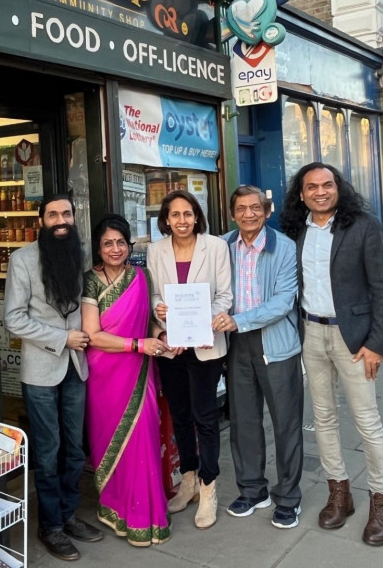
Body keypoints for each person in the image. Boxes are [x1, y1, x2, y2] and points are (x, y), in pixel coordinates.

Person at [280, 163, 383, 546]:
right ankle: (339, 493)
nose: (320, 192)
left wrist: (377, 342)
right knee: (323, 418)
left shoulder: (362, 225)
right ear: (301, 194)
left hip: (355, 340)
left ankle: (380, 501)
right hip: (311, 333)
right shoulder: (295, 231)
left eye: (327, 185)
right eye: (311, 187)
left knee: (367, 421)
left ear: (338, 188)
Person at [4, 193, 103, 560]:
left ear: (73, 217)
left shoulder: (80, 255)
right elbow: (13, 318)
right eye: (52, 214)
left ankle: (67, 515)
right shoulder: (22, 259)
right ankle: (51, 527)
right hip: (42, 369)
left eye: (66, 213)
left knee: (75, 449)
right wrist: (62, 338)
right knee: (48, 452)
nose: (60, 220)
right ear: (41, 220)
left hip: (77, 366)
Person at [81, 214, 172, 547]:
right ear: (98, 247)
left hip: (139, 371)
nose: (115, 249)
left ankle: (146, 515)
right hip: (105, 375)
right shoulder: (90, 281)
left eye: (121, 242)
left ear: (129, 244)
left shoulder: (141, 276)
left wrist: (160, 335)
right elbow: (92, 335)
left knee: (144, 439)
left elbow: (148, 322)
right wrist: (138, 345)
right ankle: (116, 509)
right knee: (111, 443)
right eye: (108, 243)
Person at [218, 186, 304, 529]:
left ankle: (288, 497)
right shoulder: (222, 245)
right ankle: (253, 490)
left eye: (255, 208)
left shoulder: (283, 246)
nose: (248, 214)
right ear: (233, 212)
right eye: (241, 208)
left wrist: (238, 320)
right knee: (244, 422)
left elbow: (284, 302)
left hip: (277, 345)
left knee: (286, 423)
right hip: (237, 345)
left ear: (267, 211)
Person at [147, 190, 233, 530]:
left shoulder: (216, 247)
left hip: (206, 345)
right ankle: (188, 480)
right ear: (165, 220)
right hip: (172, 346)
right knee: (180, 415)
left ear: (197, 216)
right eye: (175, 214)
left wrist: (196, 325)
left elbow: (225, 294)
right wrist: (163, 317)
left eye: (188, 214)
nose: (181, 220)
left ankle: (209, 486)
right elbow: (155, 294)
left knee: (205, 417)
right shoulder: (155, 250)